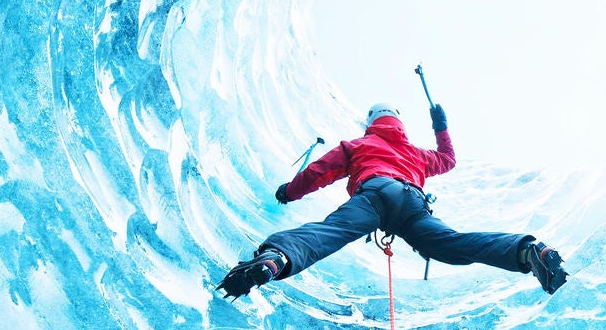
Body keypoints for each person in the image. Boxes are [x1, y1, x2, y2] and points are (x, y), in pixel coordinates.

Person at [216, 101, 570, 299]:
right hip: (412, 202)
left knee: (331, 232)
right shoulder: (414, 152)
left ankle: (276, 259)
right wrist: (441, 124)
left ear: (371, 123)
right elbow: (447, 160)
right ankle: (527, 251)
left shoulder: (359, 145)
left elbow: (319, 172)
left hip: (374, 194)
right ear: (399, 123)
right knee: (449, 245)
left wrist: (288, 192)